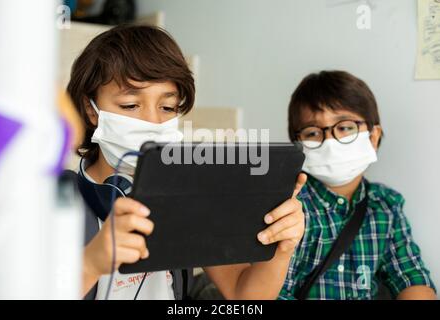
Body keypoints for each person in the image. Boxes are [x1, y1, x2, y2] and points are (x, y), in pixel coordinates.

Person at [67, 24, 306, 300]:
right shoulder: (50, 202)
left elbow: (246, 296)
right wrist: (90, 264)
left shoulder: (189, 194)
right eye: (131, 105)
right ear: (91, 109)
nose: (153, 122)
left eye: (167, 107)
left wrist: (281, 250)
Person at [279, 70, 437, 300]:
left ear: (373, 137)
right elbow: (272, 293)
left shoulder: (386, 205)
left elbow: (412, 278)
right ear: (298, 145)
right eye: (313, 132)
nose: (330, 142)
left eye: (344, 128)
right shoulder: (288, 206)